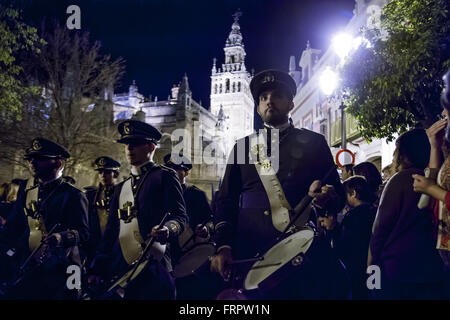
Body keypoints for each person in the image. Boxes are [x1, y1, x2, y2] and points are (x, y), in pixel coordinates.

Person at [211, 69, 349, 299]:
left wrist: (327, 197)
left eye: (276, 96)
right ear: (257, 108)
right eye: (263, 98)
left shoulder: (314, 143)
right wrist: (223, 245)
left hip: (301, 256)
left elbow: (337, 196)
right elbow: (226, 201)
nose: (269, 102)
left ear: (290, 104)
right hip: (252, 255)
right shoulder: (242, 147)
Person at [89, 120, 188, 300]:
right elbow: (111, 232)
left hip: (154, 268)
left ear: (150, 146)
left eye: (135, 144)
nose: (129, 148)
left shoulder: (165, 176)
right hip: (122, 271)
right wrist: (98, 268)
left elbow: (180, 217)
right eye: (127, 144)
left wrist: (168, 229)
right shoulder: (120, 189)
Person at [0, 137, 89, 299]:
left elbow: (83, 233)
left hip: (63, 269)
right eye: (31, 159)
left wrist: (61, 237)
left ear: (58, 164)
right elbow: (12, 228)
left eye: (40, 159)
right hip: (28, 266)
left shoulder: (74, 195)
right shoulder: (26, 192)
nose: (32, 162)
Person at [370, 129, 444, 299]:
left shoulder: (400, 180)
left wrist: (372, 267)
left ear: (403, 154)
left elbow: (380, 228)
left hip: (397, 269)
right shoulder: (436, 180)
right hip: (431, 267)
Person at [412, 68, 450, 298]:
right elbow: (435, 178)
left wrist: (431, 189)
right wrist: (434, 146)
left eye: (447, 107)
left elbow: (435, 187)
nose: (443, 113)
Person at [163, 153, 220, 299]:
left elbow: (210, 221)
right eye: (169, 170)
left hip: (190, 254)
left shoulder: (196, 195)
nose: (172, 173)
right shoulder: (160, 194)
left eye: (177, 170)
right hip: (165, 254)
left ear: (186, 172)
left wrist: (205, 229)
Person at [334, 176, 376, 299]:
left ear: (354, 193)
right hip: (375, 266)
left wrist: (333, 229)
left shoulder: (353, 216)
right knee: (374, 292)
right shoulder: (375, 210)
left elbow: (343, 247)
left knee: (359, 295)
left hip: (357, 269)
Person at [84, 157, 121, 269]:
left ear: (115, 174)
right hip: (95, 245)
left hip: (117, 245)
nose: (103, 175)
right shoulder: (91, 195)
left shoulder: (123, 193)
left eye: (107, 172)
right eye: (100, 172)